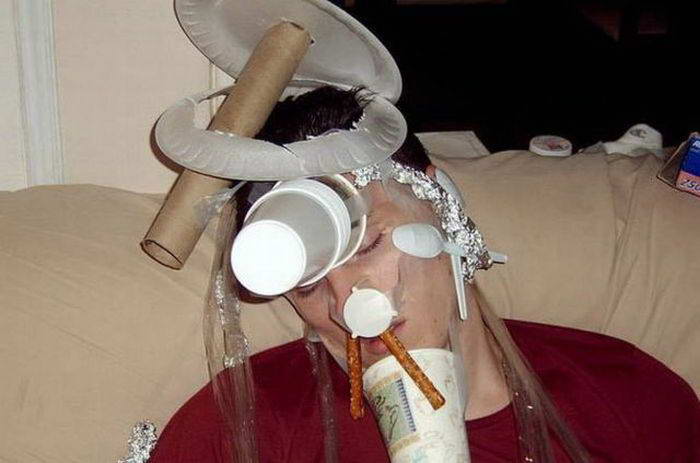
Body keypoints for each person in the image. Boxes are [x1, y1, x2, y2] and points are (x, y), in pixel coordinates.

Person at [149, 87, 700, 463]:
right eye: (309, 284)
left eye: (368, 245)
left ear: (441, 202)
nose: (346, 305)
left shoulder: (628, 397)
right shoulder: (246, 425)